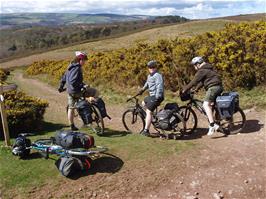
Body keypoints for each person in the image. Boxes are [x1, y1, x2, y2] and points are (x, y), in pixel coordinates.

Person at [182, 56, 223, 136]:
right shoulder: (208, 69)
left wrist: (185, 89)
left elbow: (194, 81)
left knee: (205, 104)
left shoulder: (202, 70)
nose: (194, 67)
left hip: (213, 88)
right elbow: (202, 82)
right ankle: (218, 123)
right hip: (218, 87)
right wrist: (196, 89)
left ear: (198, 64)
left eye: (194, 65)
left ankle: (212, 125)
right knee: (212, 106)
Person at [58, 51, 88, 131]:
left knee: (71, 108)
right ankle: (88, 120)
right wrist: (83, 86)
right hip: (76, 91)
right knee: (92, 94)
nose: (85, 62)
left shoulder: (70, 66)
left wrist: (61, 87)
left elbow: (64, 78)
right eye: (84, 60)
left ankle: (72, 125)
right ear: (80, 59)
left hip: (70, 91)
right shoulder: (77, 68)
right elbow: (73, 81)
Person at [138, 60, 164, 136]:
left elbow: (160, 86)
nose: (151, 68)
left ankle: (146, 131)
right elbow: (147, 84)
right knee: (143, 102)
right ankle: (151, 117)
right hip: (152, 96)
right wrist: (142, 90)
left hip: (157, 96)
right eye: (150, 67)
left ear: (156, 68)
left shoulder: (157, 75)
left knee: (148, 111)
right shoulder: (149, 76)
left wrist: (157, 96)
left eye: (153, 67)